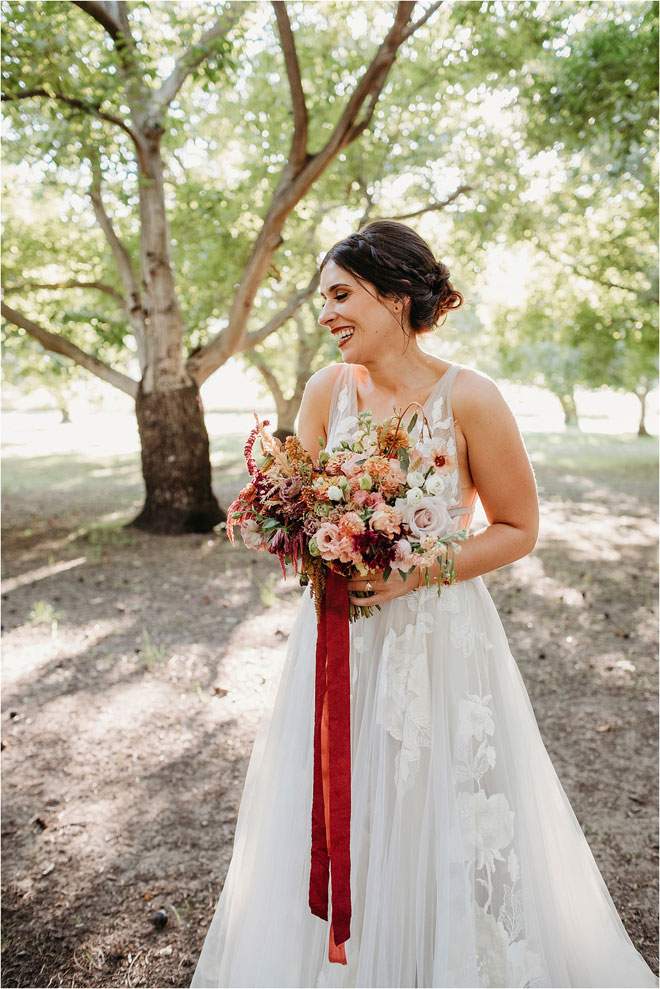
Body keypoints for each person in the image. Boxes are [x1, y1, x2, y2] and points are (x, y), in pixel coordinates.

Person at [191, 221, 656, 988]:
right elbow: (296, 508)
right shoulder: (326, 391)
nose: (326, 314)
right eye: (322, 300)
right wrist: (305, 540)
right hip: (339, 639)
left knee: (436, 806)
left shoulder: (469, 397)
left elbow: (518, 528)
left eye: (340, 295)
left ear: (396, 297)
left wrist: (419, 570)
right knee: (345, 805)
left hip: (439, 638)